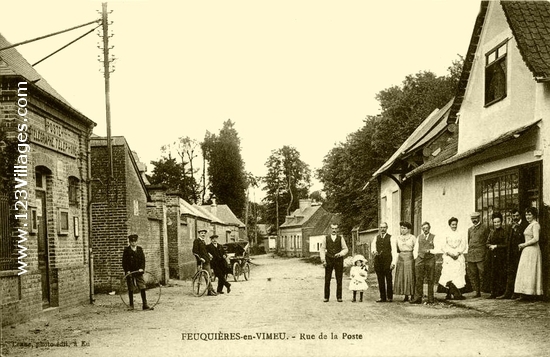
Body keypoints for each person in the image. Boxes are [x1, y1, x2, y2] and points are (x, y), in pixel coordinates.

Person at [497, 208, 528, 299]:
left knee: (520, 273)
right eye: (513, 216)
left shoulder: (525, 225)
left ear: (520, 216)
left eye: (517, 216)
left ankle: (518, 293)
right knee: (511, 273)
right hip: (512, 253)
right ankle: (508, 293)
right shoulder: (511, 226)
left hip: (521, 253)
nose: (515, 218)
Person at [514, 207, 543, 301]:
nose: (528, 216)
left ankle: (531, 294)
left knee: (531, 271)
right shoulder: (529, 225)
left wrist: (524, 244)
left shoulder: (535, 225)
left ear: (534, 215)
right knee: (525, 272)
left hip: (532, 250)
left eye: (530, 214)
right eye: (526, 214)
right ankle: (525, 293)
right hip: (527, 251)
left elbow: (536, 238)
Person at [122, 234, 153, 310]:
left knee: (142, 287)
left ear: (136, 242)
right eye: (132, 241)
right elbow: (124, 262)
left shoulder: (139, 249)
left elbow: (143, 260)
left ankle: (145, 305)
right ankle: (131, 305)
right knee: (131, 288)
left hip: (138, 271)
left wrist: (142, 268)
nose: (133, 243)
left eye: (135, 241)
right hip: (130, 272)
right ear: (129, 242)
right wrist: (127, 270)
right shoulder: (126, 250)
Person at [439, 217, 467, 300]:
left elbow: (464, 245)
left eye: (455, 224)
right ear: (449, 225)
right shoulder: (445, 234)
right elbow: (442, 246)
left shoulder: (461, 233)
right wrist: (449, 253)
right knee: (448, 274)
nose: (454, 226)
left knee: (458, 275)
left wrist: (458, 253)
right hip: (449, 257)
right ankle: (448, 293)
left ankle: (457, 293)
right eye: (452, 224)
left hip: (458, 257)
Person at [320, 224, 349, 302]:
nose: (334, 230)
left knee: (339, 278)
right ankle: (326, 297)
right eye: (332, 228)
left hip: (338, 260)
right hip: (328, 259)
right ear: (330, 229)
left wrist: (340, 254)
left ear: (338, 229)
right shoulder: (326, 238)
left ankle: (339, 297)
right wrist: (323, 259)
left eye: (335, 228)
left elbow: (346, 249)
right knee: (327, 279)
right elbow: (322, 249)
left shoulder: (341, 238)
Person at [411, 222, 438, 304]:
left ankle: (430, 299)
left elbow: (438, 248)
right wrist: (416, 258)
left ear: (429, 228)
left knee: (430, 278)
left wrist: (430, 251)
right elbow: (415, 249)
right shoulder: (419, 237)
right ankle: (418, 298)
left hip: (430, 259)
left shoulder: (434, 237)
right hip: (420, 259)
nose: (425, 229)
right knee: (419, 278)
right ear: (422, 229)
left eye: (427, 228)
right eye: (424, 228)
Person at [466, 211, 489, 298]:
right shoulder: (470, 229)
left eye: (475, 218)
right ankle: (477, 291)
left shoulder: (484, 228)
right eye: (472, 219)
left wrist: (485, 254)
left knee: (482, 273)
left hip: (481, 254)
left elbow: (487, 240)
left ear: (479, 218)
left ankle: (486, 290)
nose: (474, 220)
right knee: (473, 273)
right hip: (471, 255)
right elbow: (469, 241)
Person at [485, 212, 508, 299]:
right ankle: (493, 292)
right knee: (493, 273)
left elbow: (506, 244)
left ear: (501, 222)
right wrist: (490, 246)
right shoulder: (492, 232)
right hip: (492, 256)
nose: (496, 224)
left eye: (498, 222)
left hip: (502, 256)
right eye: (495, 222)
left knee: (501, 273)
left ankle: (501, 292)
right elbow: (487, 242)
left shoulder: (504, 232)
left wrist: (497, 246)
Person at [371, 222, 395, 302]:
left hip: (387, 260)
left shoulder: (391, 238)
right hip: (378, 261)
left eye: (384, 227)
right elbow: (373, 248)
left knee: (388, 278)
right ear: (379, 228)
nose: (382, 229)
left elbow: (394, 251)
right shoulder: (376, 238)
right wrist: (374, 251)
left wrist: (393, 262)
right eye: (381, 227)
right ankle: (382, 297)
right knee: (380, 279)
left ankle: (390, 297)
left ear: (387, 228)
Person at [393, 221, 416, 302]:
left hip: (410, 257)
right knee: (402, 276)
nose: (402, 230)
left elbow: (415, 249)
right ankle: (405, 295)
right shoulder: (398, 238)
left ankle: (412, 294)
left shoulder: (412, 237)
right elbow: (396, 249)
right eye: (401, 228)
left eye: (404, 228)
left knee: (409, 276)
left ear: (408, 229)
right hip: (401, 257)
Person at [192, 228, 217, 296]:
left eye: (204, 233)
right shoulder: (196, 241)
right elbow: (195, 252)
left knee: (209, 275)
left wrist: (209, 254)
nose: (203, 234)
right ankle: (210, 290)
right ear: (199, 234)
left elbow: (205, 251)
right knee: (207, 276)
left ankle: (210, 291)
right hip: (201, 262)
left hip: (207, 260)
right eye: (202, 233)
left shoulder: (203, 241)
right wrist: (200, 259)